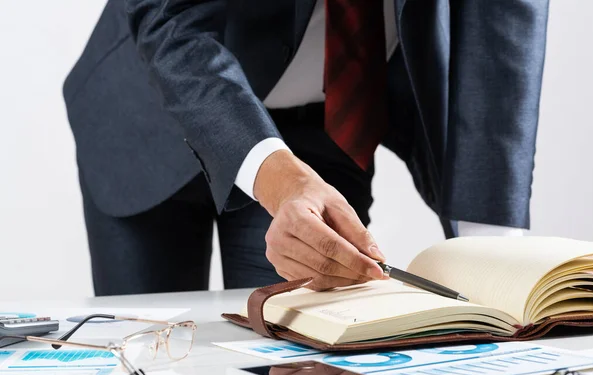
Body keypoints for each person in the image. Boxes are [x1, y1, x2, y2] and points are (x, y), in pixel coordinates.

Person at [63, 0, 549, 295]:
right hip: (151, 118)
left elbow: (502, 40)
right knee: (153, 356)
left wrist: (498, 267)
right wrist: (282, 180)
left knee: (298, 361)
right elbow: (173, 23)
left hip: (328, 122)